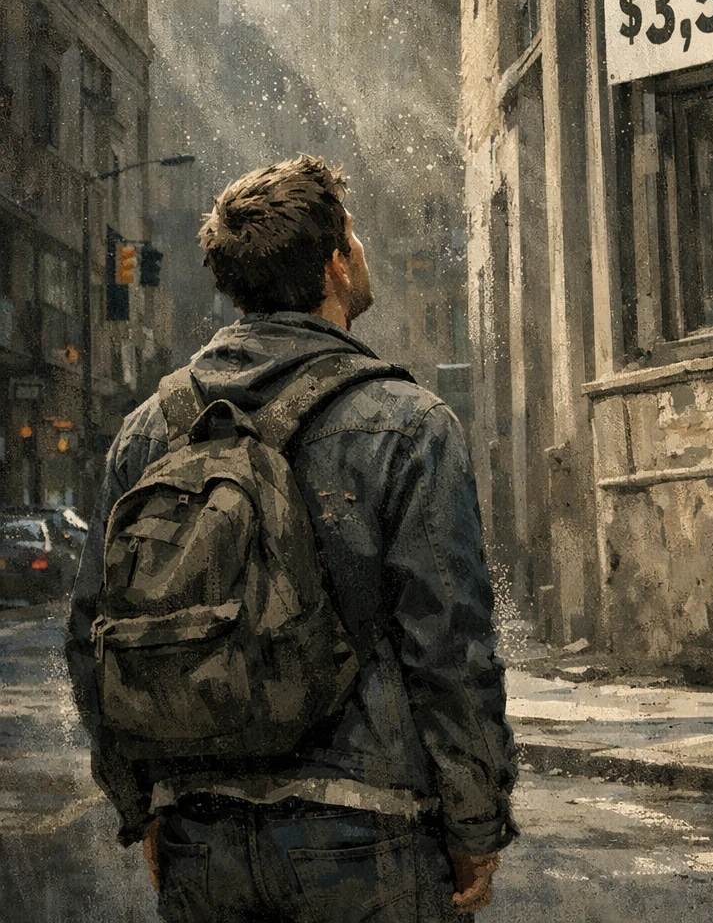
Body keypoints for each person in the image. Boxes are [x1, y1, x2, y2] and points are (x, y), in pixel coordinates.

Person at [67, 155, 517, 921]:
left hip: (198, 835)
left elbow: (92, 634)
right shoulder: (409, 424)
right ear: (337, 263)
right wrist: (476, 821)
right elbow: (448, 646)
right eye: (355, 236)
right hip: (368, 829)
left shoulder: (149, 432)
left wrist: (140, 802)